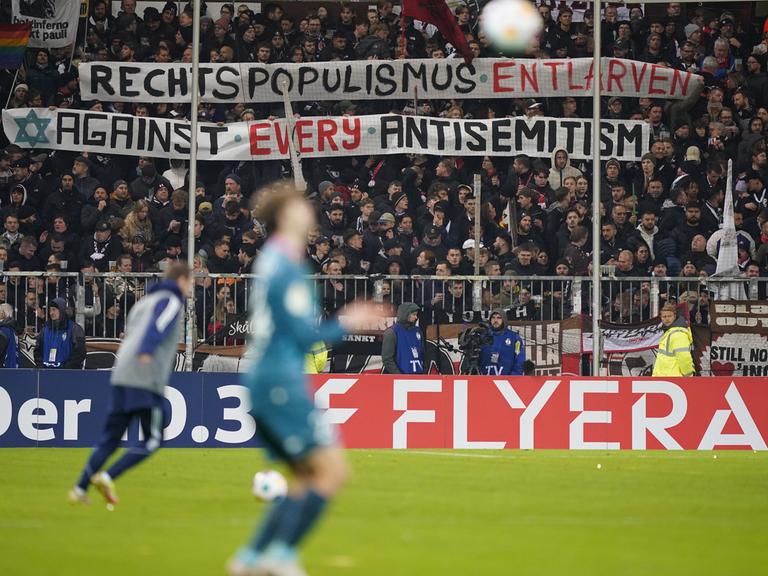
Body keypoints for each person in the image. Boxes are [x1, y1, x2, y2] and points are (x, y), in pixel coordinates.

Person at [227, 188, 378, 576]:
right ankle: (280, 555)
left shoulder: (276, 259)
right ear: (286, 216)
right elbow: (299, 333)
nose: (309, 212)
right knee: (331, 471)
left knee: (303, 477)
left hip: (269, 376)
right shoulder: (285, 264)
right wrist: (347, 321)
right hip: (279, 379)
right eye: (301, 206)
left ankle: (251, 559)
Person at [69, 263, 192, 506]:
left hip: (121, 375)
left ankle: (79, 489)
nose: (191, 288)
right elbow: (156, 328)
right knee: (153, 440)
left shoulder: (143, 302)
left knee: (110, 438)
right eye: (190, 282)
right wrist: (147, 352)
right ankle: (107, 476)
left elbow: (131, 332)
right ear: (181, 280)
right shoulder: (171, 301)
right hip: (143, 376)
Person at [34, 298, 86, 369]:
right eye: (50, 310)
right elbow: (37, 351)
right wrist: (41, 367)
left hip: (67, 375)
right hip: (47, 374)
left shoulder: (74, 329)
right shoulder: (45, 330)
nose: (51, 313)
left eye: (54, 310)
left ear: (62, 310)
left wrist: (67, 368)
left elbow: (80, 353)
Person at [652, 303, 694, 377]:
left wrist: (688, 374)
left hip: (673, 378)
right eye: (664, 316)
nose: (667, 319)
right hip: (668, 378)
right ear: (661, 318)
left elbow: (684, 357)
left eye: (669, 316)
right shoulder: (670, 332)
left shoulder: (678, 334)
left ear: (675, 316)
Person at [479, 310, 526, 376]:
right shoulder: (483, 336)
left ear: (504, 320)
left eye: (499, 318)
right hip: (484, 380)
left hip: (508, 381)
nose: (495, 320)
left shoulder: (514, 338)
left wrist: (514, 376)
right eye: (493, 317)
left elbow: (520, 358)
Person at [381, 302, 424, 374]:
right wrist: (400, 377)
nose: (416, 317)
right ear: (405, 314)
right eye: (414, 314)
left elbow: (423, 354)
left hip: (418, 377)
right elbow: (387, 359)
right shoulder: (391, 332)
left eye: (416, 315)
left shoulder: (418, 331)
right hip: (400, 380)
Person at [0, 303, 19, 368]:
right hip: (13, 363)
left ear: (3, 313)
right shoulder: (12, 329)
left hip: (4, 366)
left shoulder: (3, 329)